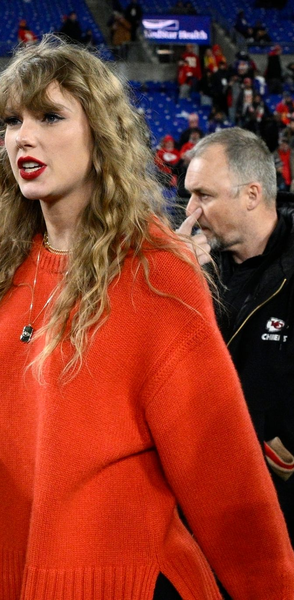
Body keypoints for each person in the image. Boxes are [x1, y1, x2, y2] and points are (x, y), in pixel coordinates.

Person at [0, 36, 294, 599]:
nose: (24, 135)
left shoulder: (156, 272)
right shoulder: (8, 266)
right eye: (12, 121)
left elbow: (222, 472)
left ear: (101, 132)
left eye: (50, 116)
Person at [180, 127, 294, 543]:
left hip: (279, 509)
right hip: (200, 505)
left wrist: (277, 450)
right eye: (190, 195)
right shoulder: (197, 269)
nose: (190, 210)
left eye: (204, 196)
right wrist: (175, 289)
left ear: (251, 194)